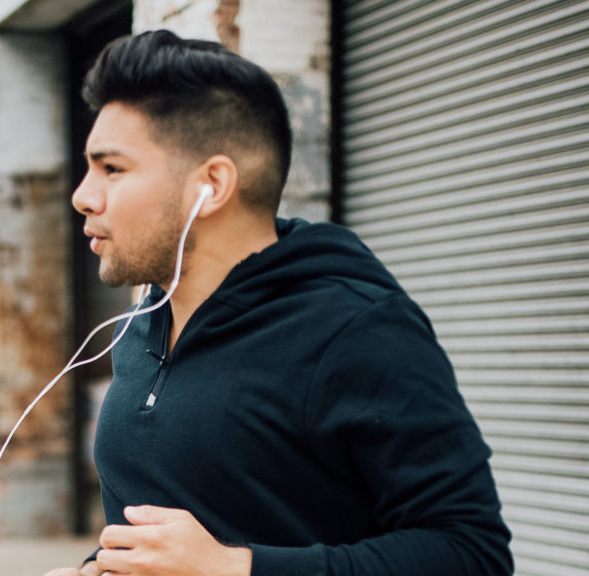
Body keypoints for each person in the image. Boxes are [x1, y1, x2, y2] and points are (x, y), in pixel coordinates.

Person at [44, 30, 513, 576]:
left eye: (112, 169)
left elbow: (472, 553)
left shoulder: (357, 328)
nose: (83, 195)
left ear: (212, 185)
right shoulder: (141, 324)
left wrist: (238, 568)